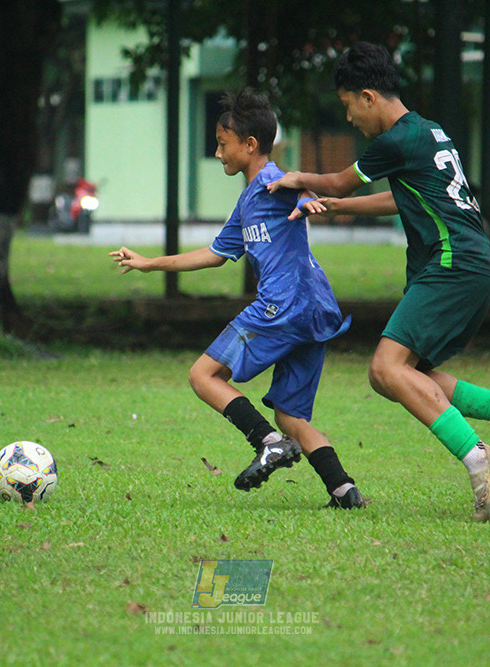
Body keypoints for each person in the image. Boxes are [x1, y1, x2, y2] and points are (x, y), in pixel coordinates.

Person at [268, 42, 490, 522]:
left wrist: (297, 177)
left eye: (349, 106)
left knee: (388, 368)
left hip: (452, 265)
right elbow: (402, 200)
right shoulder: (428, 132)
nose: (350, 118)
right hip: (472, 266)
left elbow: (337, 181)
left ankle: (481, 460)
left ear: (369, 97)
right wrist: (336, 209)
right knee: (394, 374)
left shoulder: (394, 141)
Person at [110, 89, 364, 509]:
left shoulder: (268, 181)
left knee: (203, 376)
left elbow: (295, 190)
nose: (216, 153)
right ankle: (344, 492)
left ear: (249, 145)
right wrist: (149, 263)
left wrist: (308, 199)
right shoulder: (247, 202)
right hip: (317, 308)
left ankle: (267, 442)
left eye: (222, 143)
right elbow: (213, 255)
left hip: (285, 303)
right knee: (291, 415)